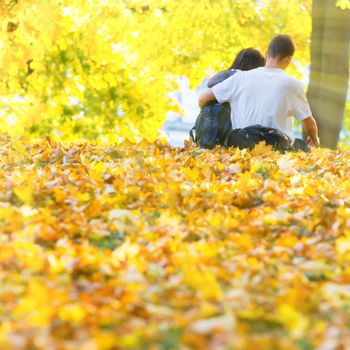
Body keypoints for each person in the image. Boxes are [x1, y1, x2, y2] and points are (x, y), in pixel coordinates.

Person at [198, 34, 320, 150]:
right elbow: (309, 124)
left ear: (267, 54)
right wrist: (314, 139)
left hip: (242, 147)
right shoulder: (293, 84)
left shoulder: (239, 78)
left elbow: (203, 99)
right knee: (301, 146)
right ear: (288, 60)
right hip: (277, 150)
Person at [190, 48, 265, 149]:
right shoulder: (240, 81)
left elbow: (202, 100)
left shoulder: (224, 78)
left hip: (211, 141)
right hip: (234, 142)